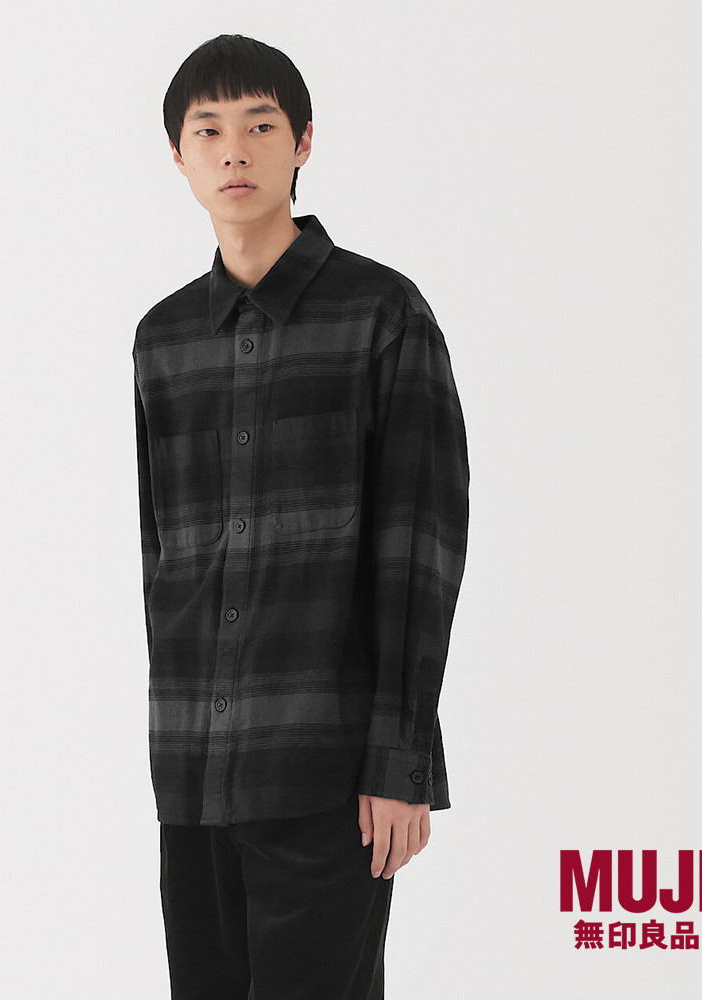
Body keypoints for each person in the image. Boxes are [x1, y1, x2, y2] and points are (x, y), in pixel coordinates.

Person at [131, 33, 470, 1000]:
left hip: (328, 773)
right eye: (209, 131)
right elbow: (164, 560)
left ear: (303, 142)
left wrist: (401, 763)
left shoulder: (382, 315)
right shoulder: (163, 341)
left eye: (260, 125)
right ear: (179, 155)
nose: (234, 151)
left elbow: (421, 548)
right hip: (195, 776)